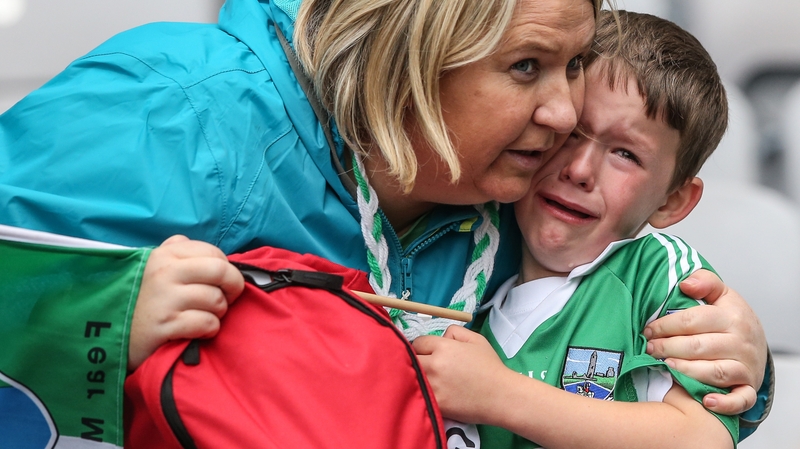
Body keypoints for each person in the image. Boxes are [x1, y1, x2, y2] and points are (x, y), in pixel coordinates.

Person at [0, 0, 768, 437]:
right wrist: (107, 310)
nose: (565, 113)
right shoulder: (180, 108)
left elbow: (596, 353)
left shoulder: (514, 205)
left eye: (572, 65)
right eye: (527, 66)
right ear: (406, 56)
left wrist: (738, 363)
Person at [414, 10, 760, 448]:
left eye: (626, 155)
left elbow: (701, 440)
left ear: (672, 201)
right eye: (574, 133)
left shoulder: (658, 277)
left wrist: (498, 395)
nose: (580, 170)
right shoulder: (465, 247)